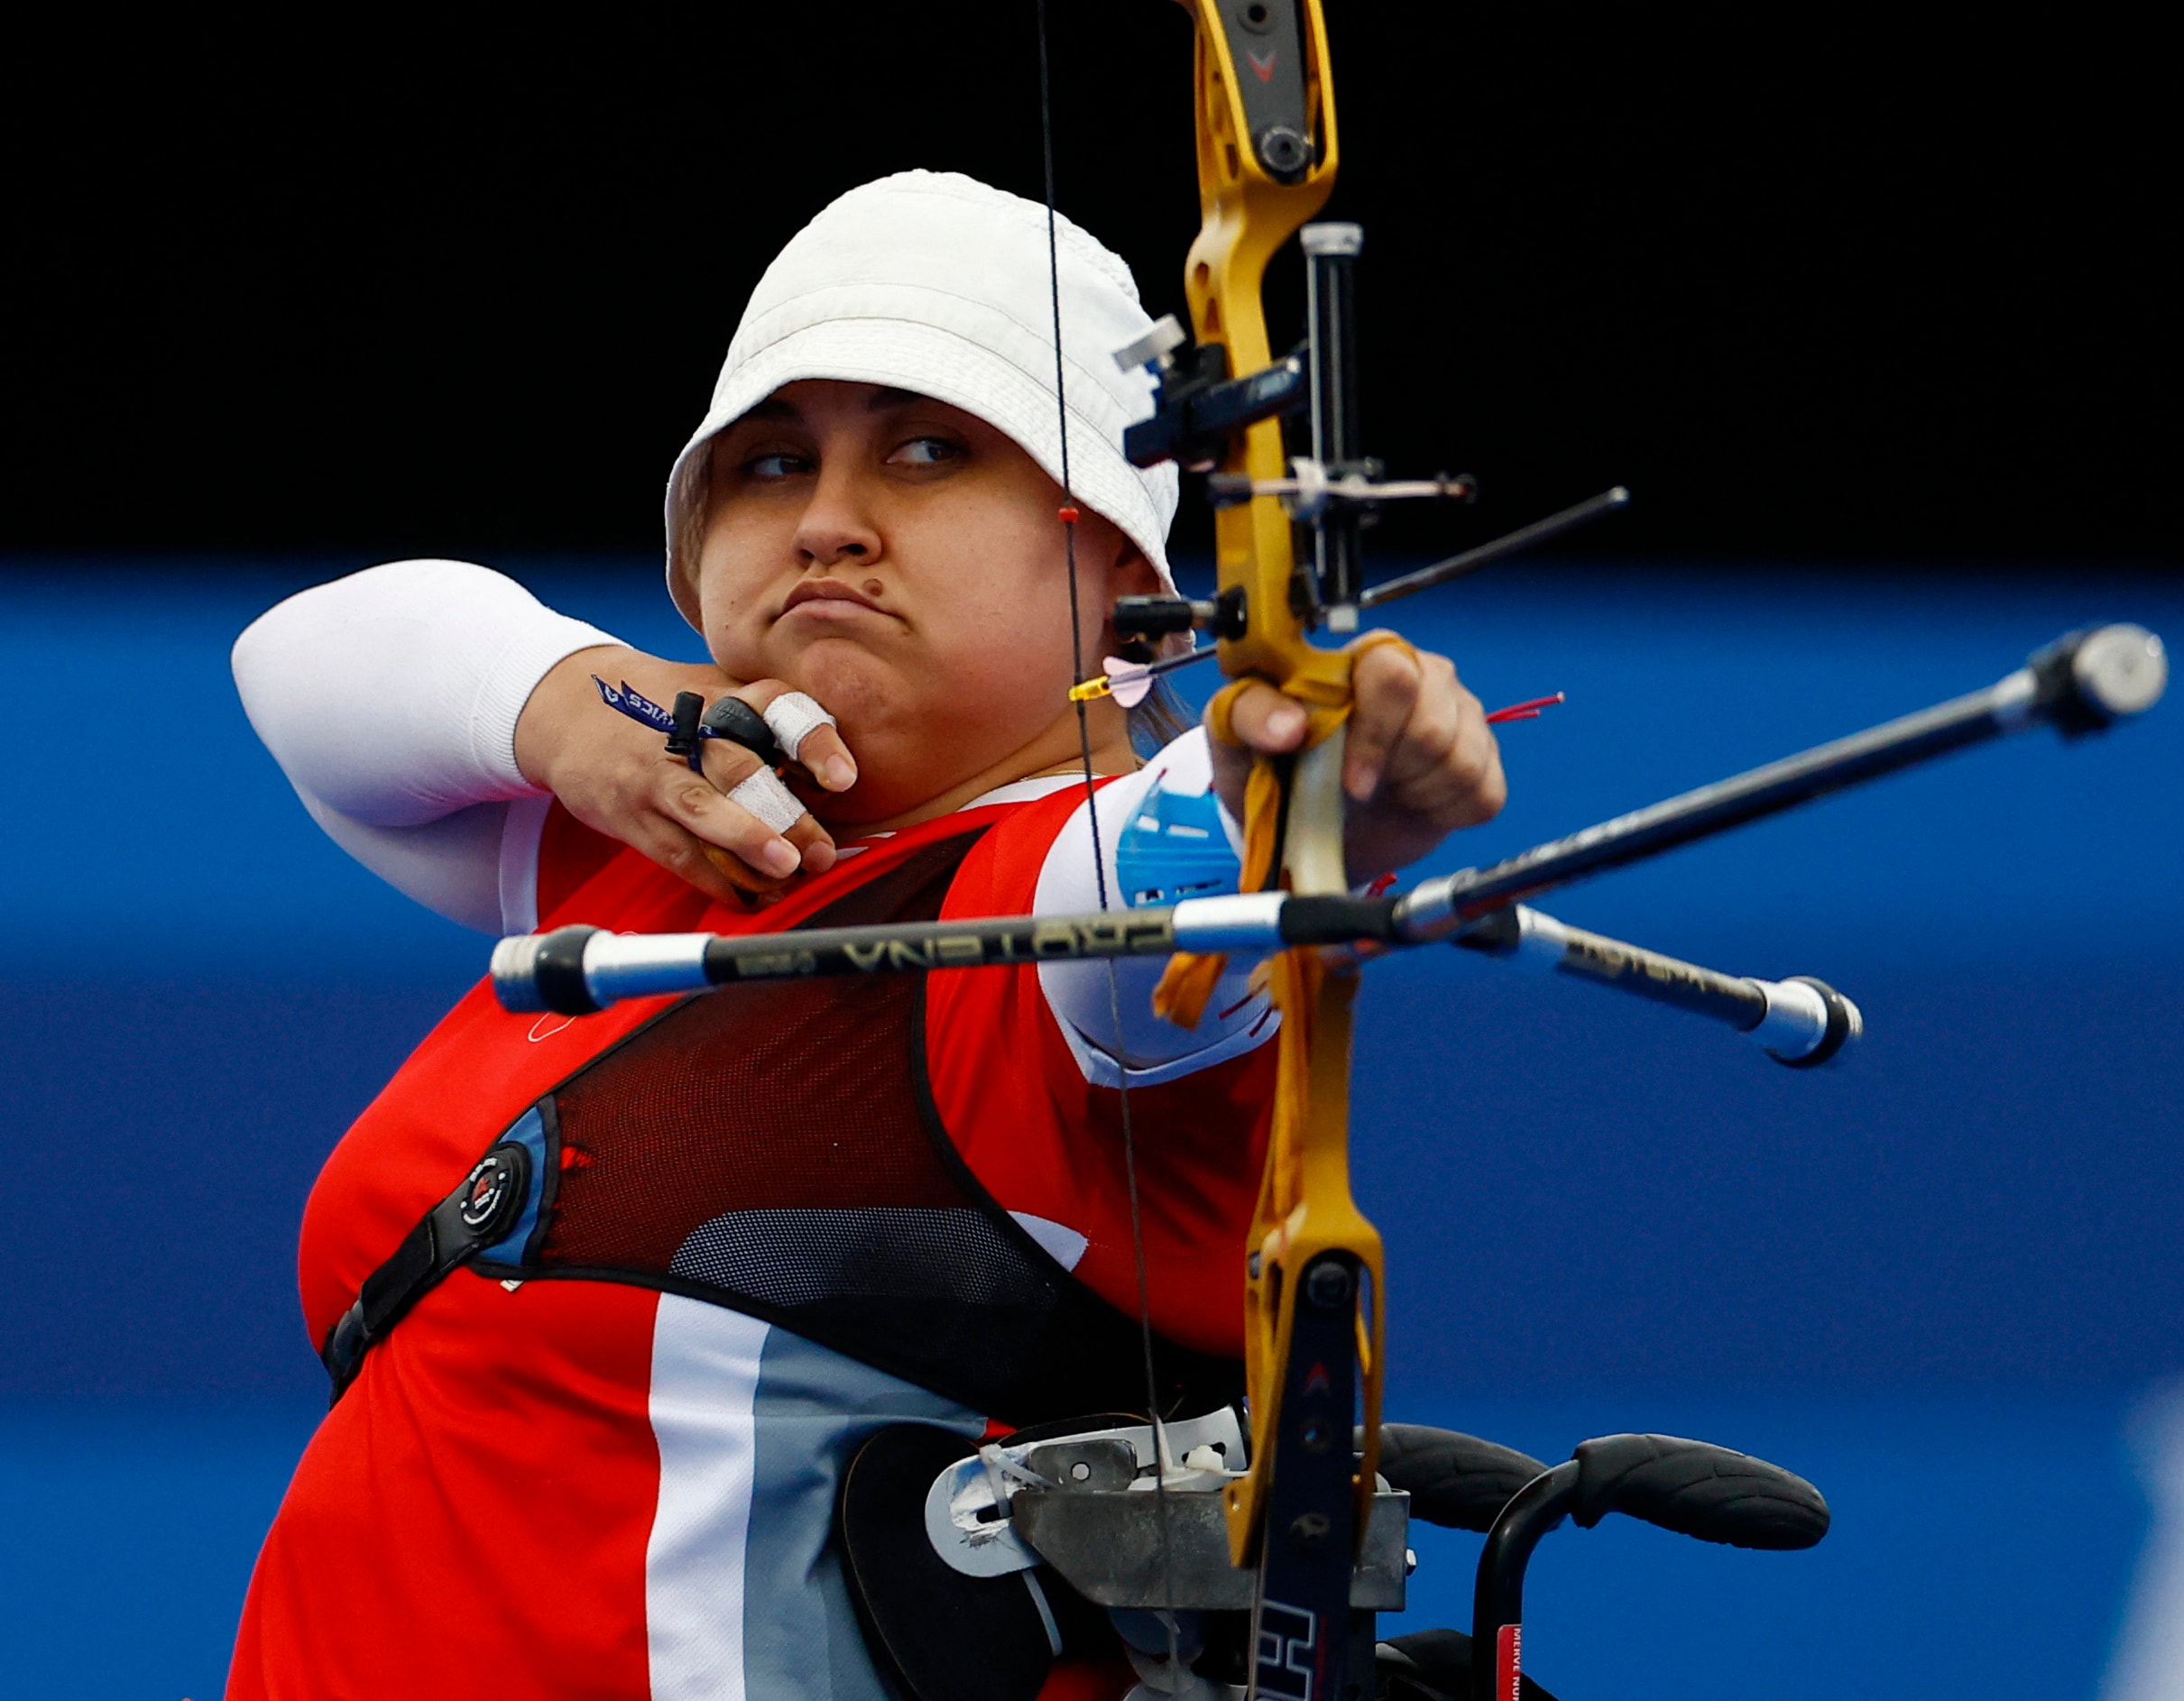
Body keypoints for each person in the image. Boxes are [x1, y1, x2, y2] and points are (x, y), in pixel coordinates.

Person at [226, 170, 1506, 1700]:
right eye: (768, 466)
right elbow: (299, 666)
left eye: (926, 450)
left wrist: (1313, 787)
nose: (829, 521)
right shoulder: (656, 858)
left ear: (1125, 577)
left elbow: (1163, 876)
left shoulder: (1030, 919)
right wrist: (577, 699)